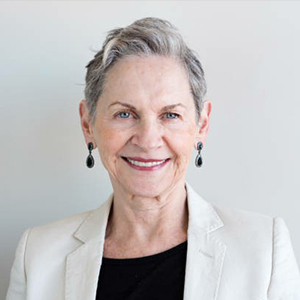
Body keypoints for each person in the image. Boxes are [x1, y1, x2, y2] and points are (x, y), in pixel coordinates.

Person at [6, 17, 300, 300]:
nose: (147, 140)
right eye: (124, 114)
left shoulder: (263, 250)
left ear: (202, 125)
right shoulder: (38, 255)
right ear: (88, 124)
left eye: (170, 115)